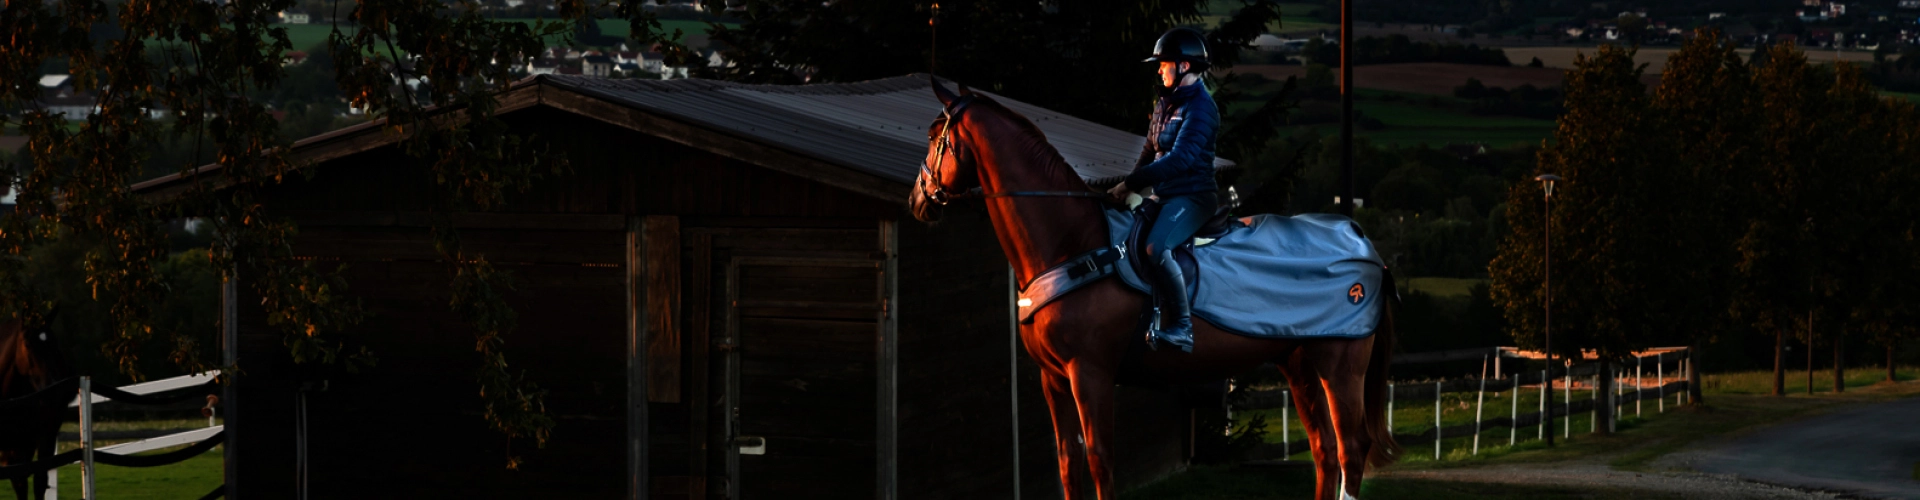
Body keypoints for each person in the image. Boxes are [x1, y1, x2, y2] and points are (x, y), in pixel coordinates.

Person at [1106, 27, 1219, 353]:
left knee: (1156, 247)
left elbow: (1180, 160)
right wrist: (1125, 187)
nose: (1158, 69)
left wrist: (1133, 184)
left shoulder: (1202, 109)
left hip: (1193, 196)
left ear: (1183, 66)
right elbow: (1149, 151)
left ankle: (1183, 328)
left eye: (1163, 63)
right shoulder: (1164, 102)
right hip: (1164, 194)